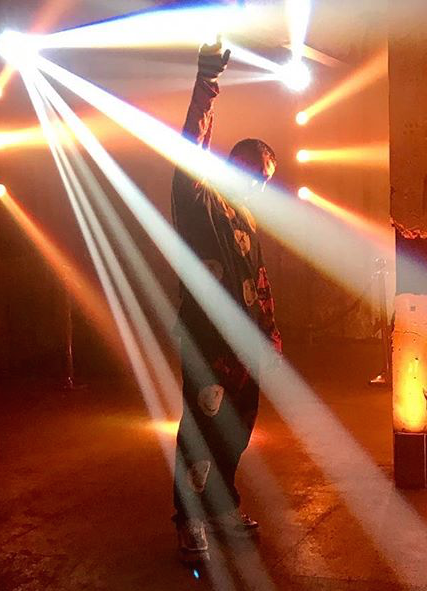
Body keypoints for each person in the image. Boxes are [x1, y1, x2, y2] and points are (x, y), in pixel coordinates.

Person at [171, 38, 282, 564]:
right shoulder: (201, 201)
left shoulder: (248, 218)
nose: (257, 187)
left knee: (235, 434)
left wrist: (270, 334)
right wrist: (206, 83)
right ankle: (189, 518)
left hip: (244, 349)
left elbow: (258, 280)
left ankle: (222, 507)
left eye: (265, 182)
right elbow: (191, 144)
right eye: (254, 174)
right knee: (200, 431)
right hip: (207, 344)